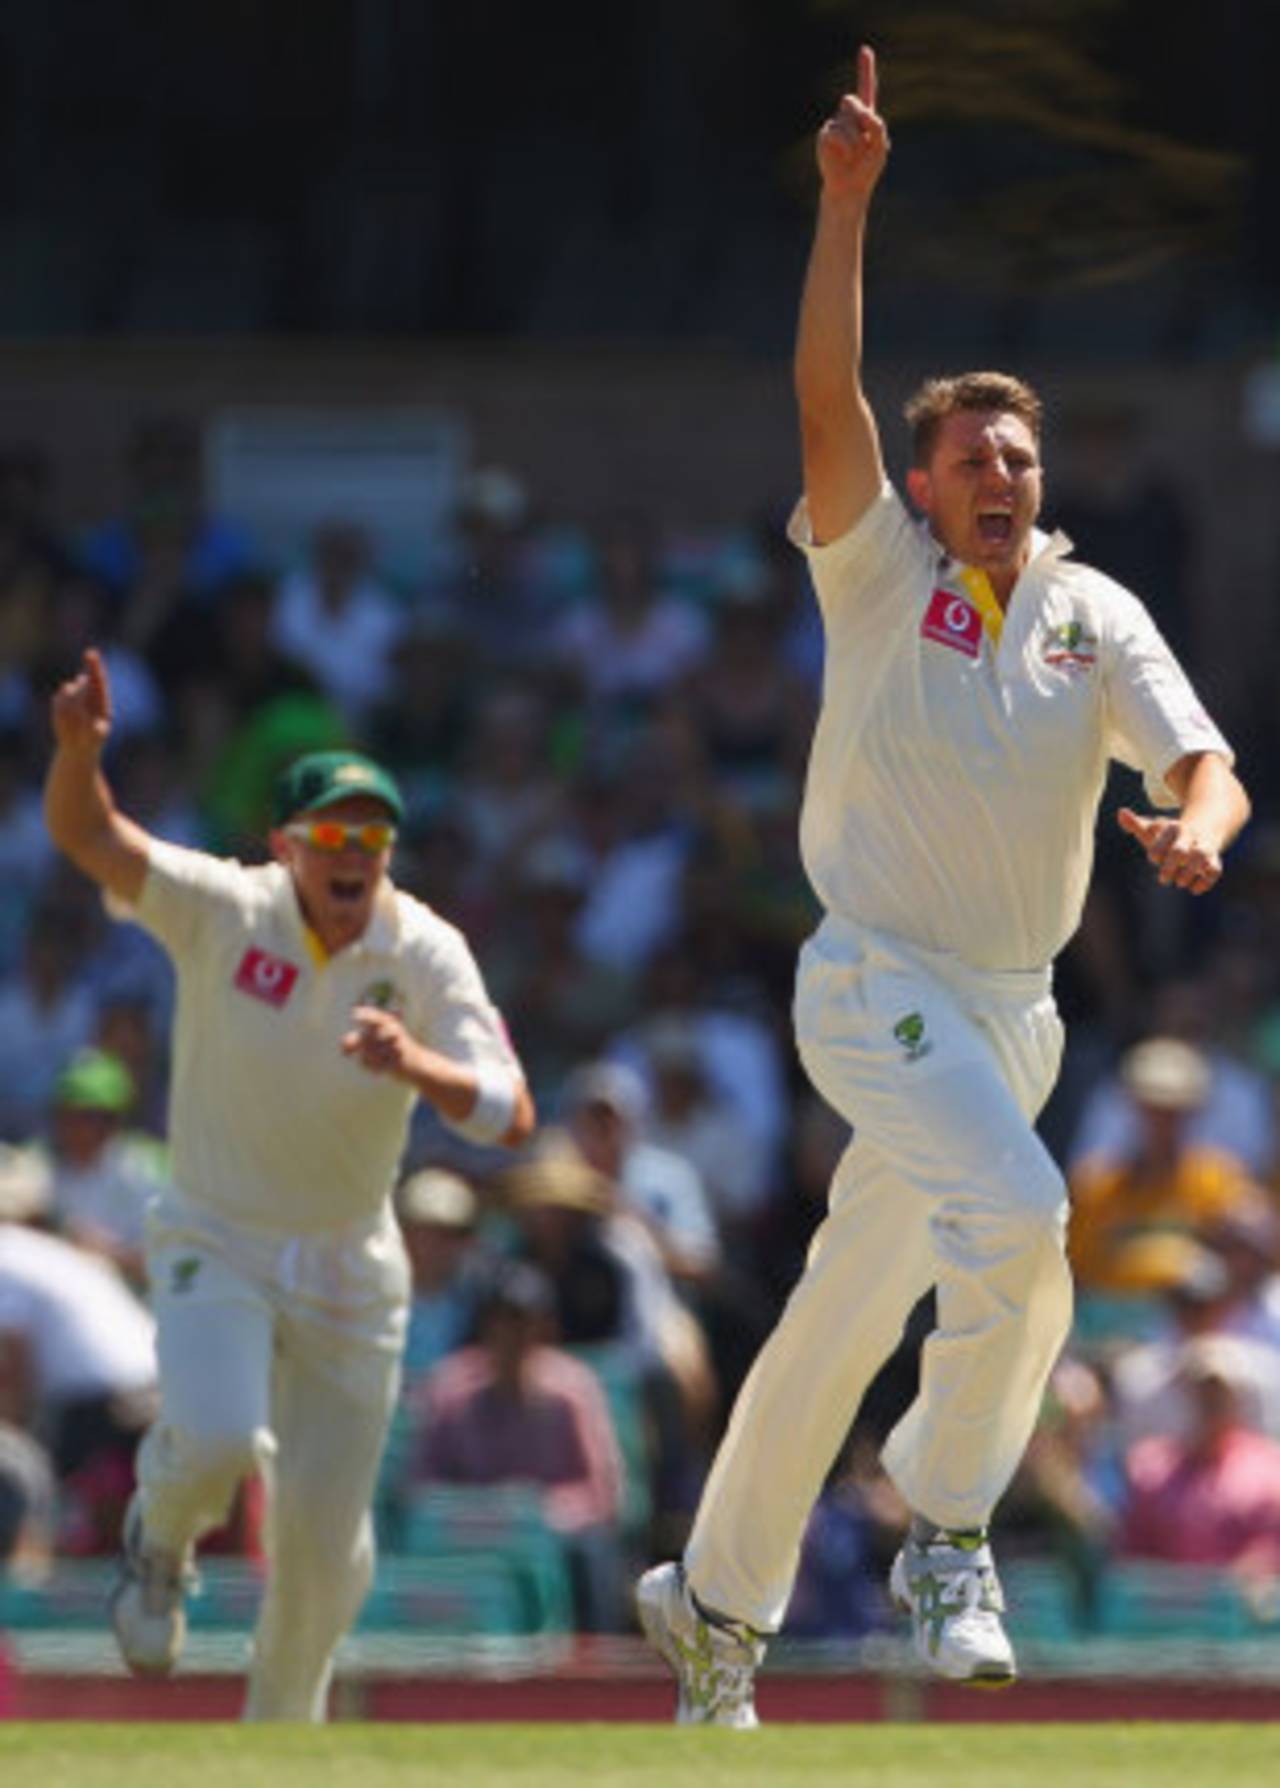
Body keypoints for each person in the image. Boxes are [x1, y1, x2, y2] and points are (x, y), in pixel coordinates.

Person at [636, 44, 1251, 1725]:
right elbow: (827, 399)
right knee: (1028, 1219)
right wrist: (845, 208)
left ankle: (713, 1607)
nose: (1000, 478)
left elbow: (1207, 754)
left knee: (841, 1312)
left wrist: (1201, 824)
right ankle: (952, 1522)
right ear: (924, 484)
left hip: (1015, 1012)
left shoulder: (1090, 610)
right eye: (973, 458)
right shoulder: (876, 565)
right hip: (872, 979)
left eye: (1020, 461)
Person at [42, 647, 535, 1721]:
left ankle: (277, 1746)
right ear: (286, 848)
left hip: (353, 1264)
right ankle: (158, 1540)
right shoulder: (225, 909)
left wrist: (417, 1064)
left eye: (372, 838)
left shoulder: (425, 951)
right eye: (332, 838)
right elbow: (87, 835)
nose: (354, 857)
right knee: (217, 1439)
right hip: (217, 1233)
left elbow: (508, 1110)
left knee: (325, 1554)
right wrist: (79, 753)